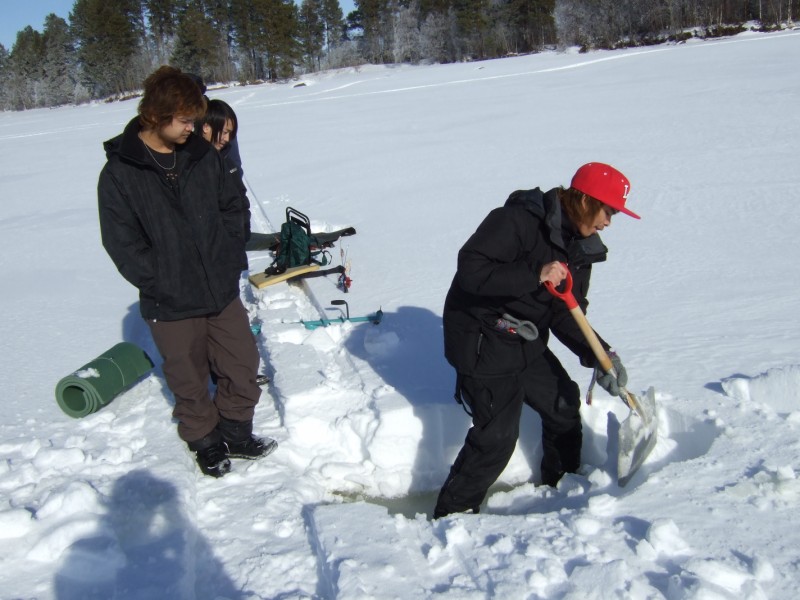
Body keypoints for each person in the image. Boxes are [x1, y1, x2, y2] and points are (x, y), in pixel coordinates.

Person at [98, 66, 277, 478]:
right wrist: (160, 277)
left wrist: (228, 250)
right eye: (184, 121)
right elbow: (121, 243)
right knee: (189, 377)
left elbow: (233, 203)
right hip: (171, 297)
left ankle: (235, 431)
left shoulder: (201, 155)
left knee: (241, 363)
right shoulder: (120, 173)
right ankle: (206, 442)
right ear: (155, 117)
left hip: (219, 286)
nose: (192, 128)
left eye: (194, 120)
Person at [433, 162, 640, 518]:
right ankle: (451, 518)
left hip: (525, 339)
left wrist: (600, 354)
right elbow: (470, 270)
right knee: (497, 437)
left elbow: (566, 310)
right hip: (481, 338)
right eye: (608, 211)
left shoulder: (581, 247)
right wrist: (534, 274)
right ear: (586, 200)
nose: (608, 222)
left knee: (562, 403)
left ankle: (561, 489)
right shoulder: (517, 221)